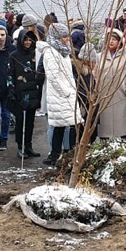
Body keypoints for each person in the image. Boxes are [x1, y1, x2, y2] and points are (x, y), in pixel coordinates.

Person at [40, 23, 83, 165]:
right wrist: (66, 92)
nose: (67, 39)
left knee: (64, 125)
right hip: (61, 95)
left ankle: (58, 154)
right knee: (68, 125)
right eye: (64, 36)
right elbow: (53, 76)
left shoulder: (62, 51)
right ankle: (63, 153)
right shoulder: (51, 52)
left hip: (66, 93)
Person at [96, 29, 126, 139]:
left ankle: (124, 147)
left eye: (114, 39)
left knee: (122, 126)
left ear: (120, 41)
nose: (111, 41)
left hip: (121, 96)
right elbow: (95, 74)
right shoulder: (100, 56)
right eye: (108, 39)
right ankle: (105, 149)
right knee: (105, 128)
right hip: (103, 96)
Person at [7, 28, 43, 158]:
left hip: (33, 92)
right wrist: (11, 91)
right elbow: (10, 75)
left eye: (29, 40)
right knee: (20, 121)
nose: (27, 42)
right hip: (19, 93)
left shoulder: (35, 55)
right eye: (25, 40)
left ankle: (29, 145)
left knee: (30, 122)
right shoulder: (14, 56)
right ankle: (20, 146)